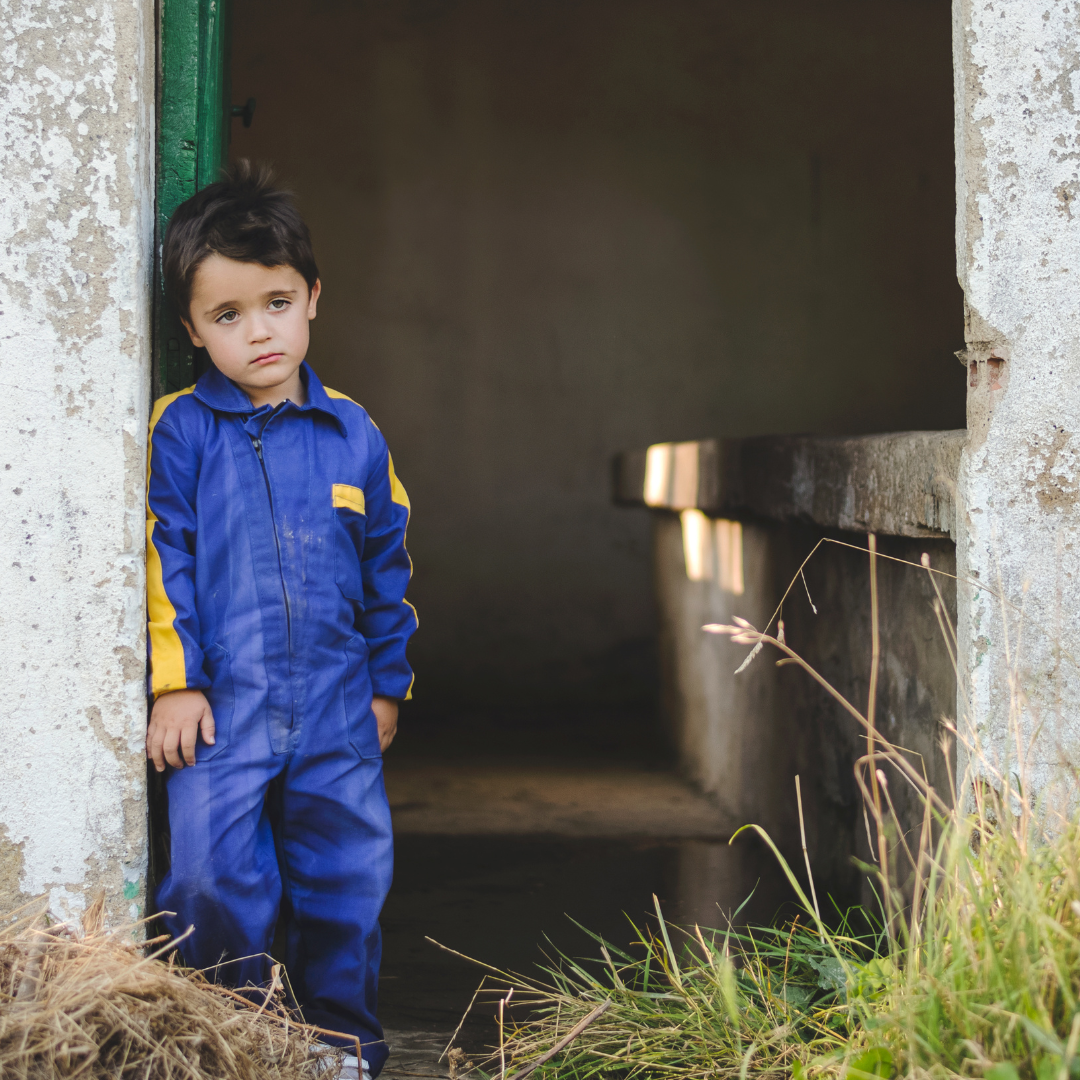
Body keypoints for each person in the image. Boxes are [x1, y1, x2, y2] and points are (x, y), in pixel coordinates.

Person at [145, 162, 416, 1080]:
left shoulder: (354, 433)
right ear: (192, 327)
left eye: (275, 302)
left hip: (338, 702)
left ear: (312, 301)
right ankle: (233, 1037)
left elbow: (388, 567)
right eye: (227, 316)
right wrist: (176, 683)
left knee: (348, 879)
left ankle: (343, 1044)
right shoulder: (182, 430)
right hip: (225, 701)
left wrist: (386, 684)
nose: (257, 331)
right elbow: (162, 554)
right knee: (212, 876)